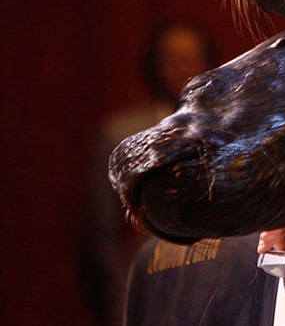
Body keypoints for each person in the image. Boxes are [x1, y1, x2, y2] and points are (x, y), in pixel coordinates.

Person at [79, 22, 217, 326]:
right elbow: (102, 231)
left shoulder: (226, 129)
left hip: (215, 285)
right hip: (141, 283)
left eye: (189, 58)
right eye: (172, 59)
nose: (181, 69)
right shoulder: (120, 133)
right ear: (155, 66)